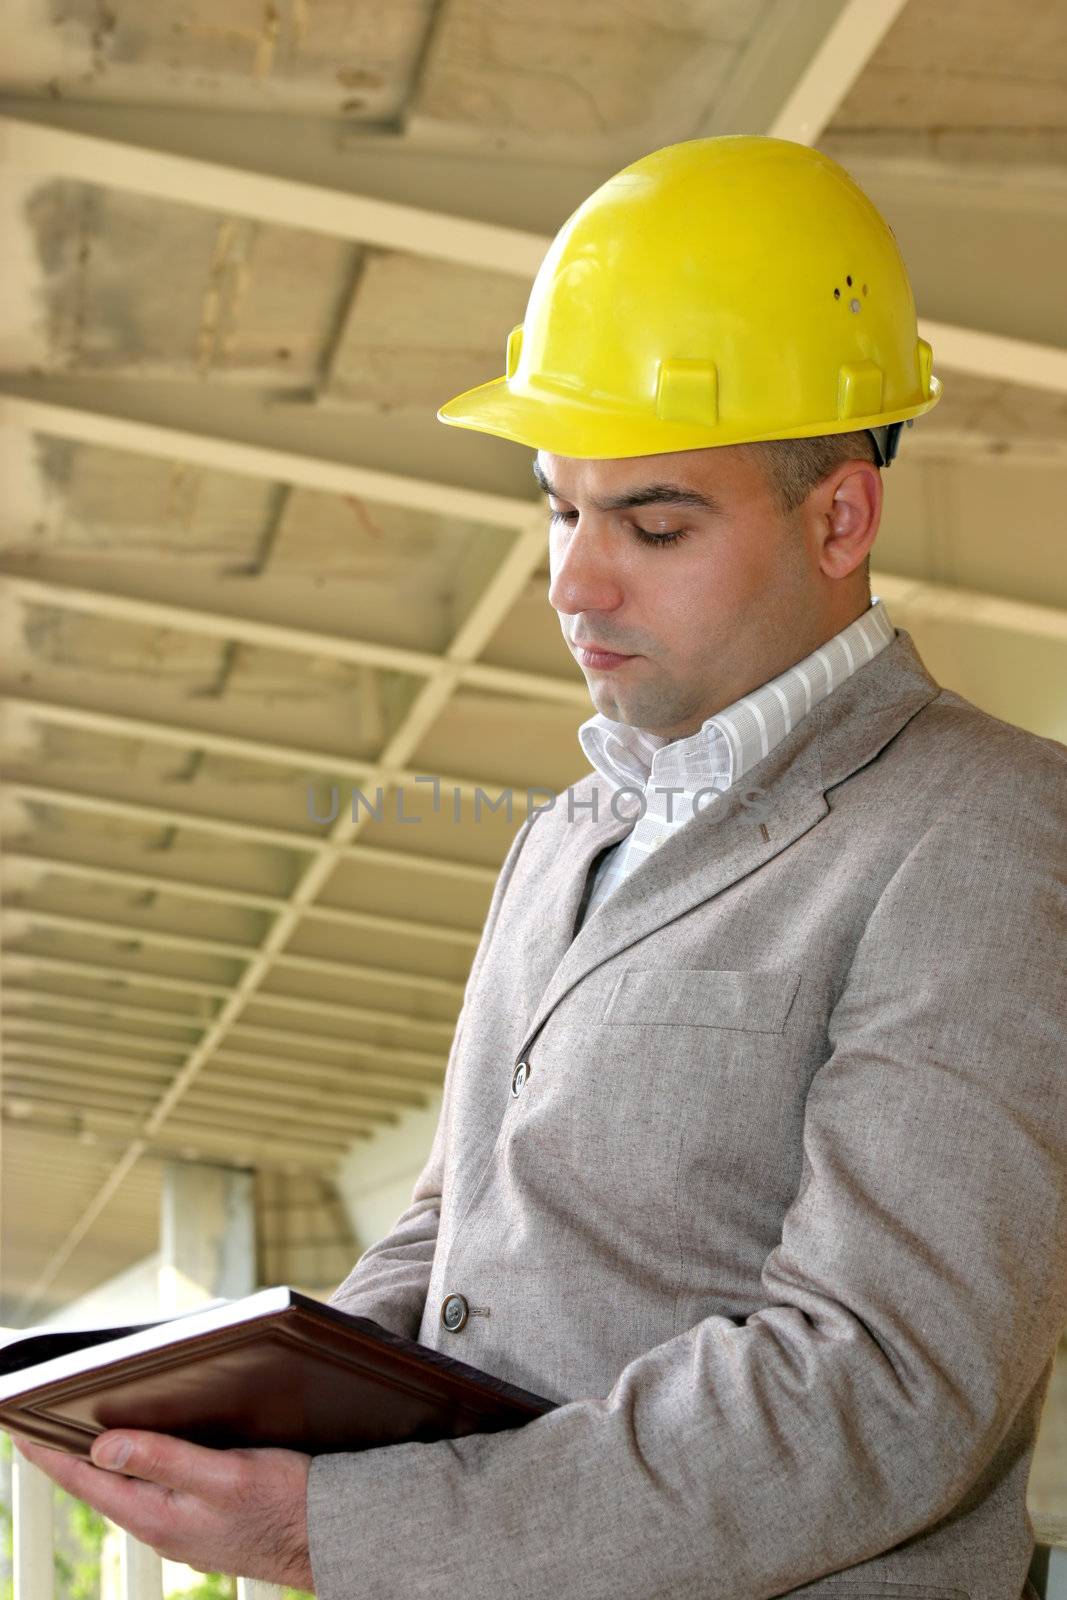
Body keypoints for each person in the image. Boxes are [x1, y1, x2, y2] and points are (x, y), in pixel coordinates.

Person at [13, 136, 1066, 1600]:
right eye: (560, 506)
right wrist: (215, 1407)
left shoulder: (986, 830)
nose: (573, 581)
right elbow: (457, 1233)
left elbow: (879, 1392)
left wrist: (340, 1531)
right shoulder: (562, 841)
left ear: (841, 515)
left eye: (654, 521)